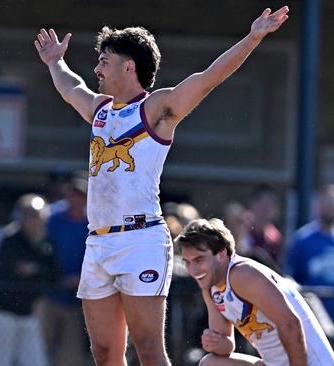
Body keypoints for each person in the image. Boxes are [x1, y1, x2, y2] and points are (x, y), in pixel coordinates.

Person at [34, 7, 289, 365]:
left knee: (149, 348)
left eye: (104, 61)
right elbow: (70, 88)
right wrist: (54, 63)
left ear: (129, 66)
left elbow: (208, 78)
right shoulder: (101, 109)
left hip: (140, 239)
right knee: (104, 354)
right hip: (99, 240)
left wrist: (253, 37)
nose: (97, 70)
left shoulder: (155, 108)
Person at [175, 218, 334, 366]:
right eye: (187, 262)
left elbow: (291, 324)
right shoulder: (210, 287)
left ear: (222, 255)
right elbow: (226, 348)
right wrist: (215, 343)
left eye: (199, 260)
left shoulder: (242, 274)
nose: (193, 270)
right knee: (210, 363)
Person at [0, 194, 59, 366]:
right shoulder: (7, 238)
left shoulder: (45, 242)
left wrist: (35, 269)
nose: (33, 220)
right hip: (0, 312)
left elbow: (55, 273)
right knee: (1, 362)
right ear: (19, 216)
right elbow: (3, 271)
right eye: (27, 215)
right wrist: (31, 270)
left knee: (35, 362)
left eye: (36, 215)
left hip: (28, 313)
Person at [287, 184, 334, 341]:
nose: (330, 210)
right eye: (327, 205)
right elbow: (290, 276)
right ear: (318, 207)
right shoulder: (302, 239)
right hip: (310, 318)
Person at [37, 175, 90, 366]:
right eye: (73, 194)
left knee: (70, 355)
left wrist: (82, 280)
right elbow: (41, 251)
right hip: (48, 294)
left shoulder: (92, 221)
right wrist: (54, 277)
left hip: (77, 299)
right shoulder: (52, 217)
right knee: (39, 350)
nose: (76, 199)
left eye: (81, 195)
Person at [245, 184, 284, 265]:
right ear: (253, 204)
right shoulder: (239, 230)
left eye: (271, 205)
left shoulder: (274, 238)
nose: (268, 210)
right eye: (264, 205)